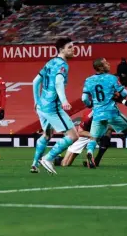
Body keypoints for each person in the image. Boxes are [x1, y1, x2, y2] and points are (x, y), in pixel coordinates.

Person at [33, 37, 80, 174]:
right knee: (73, 136)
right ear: (61, 49)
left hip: (42, 106)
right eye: (70, 47)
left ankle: (35, 164)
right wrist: (64, 100)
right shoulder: (63, 65)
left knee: (46, 135)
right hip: (52, 107)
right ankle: (48, 158)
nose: (73, 49)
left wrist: (36, 101)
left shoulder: (50, 62)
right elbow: (59, 81)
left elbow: (35, 81)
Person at [82, 58, 127, 169]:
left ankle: (90, 153)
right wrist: (119, 95)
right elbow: (125, 93)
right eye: (105, 63)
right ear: (100, 67)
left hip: (97, 113)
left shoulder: (88, 80)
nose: (108, 64)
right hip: (111, 112)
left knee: (93, 137)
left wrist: (89, 104)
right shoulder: (112, 78)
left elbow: (84, 98)